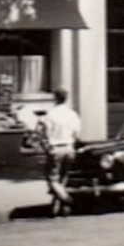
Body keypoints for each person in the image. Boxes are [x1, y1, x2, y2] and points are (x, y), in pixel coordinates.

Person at [38, 88, 82, 216]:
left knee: (52, 179)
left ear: (55, 98)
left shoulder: (50, 114)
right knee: (63, 178)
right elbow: (76, 134)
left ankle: (67, 200)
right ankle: (59, 208)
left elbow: (43, 132)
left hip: (56, 147)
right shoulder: (72, 114)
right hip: (69, 147)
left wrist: (46, 147)